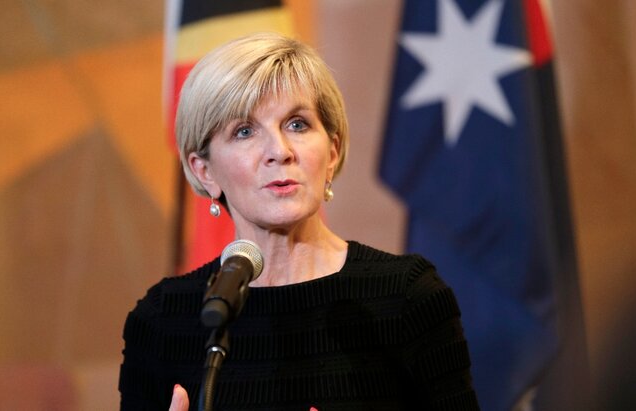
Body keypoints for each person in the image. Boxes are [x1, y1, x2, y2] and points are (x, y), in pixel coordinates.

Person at [119, 32, 480, 411]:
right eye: (244, 131)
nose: (280, 151)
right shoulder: (163, 319)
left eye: (297, 124)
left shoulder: (408, 296)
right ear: (204, 171)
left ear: (332, 152)